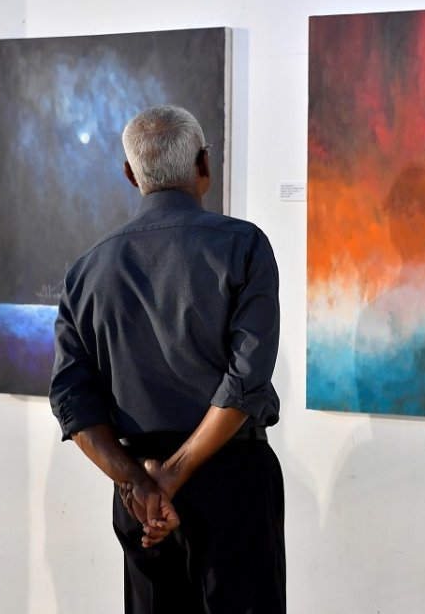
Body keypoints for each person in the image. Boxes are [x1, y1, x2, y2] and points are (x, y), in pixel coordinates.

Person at [49, 105, 285, 613]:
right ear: (204, 164)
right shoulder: (243, 245)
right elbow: (245, 380)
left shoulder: (85, 271)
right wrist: (173, 474)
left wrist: (138, 480)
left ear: (130, 174)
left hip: (140, 495)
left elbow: (71, 399)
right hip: (231, 478)